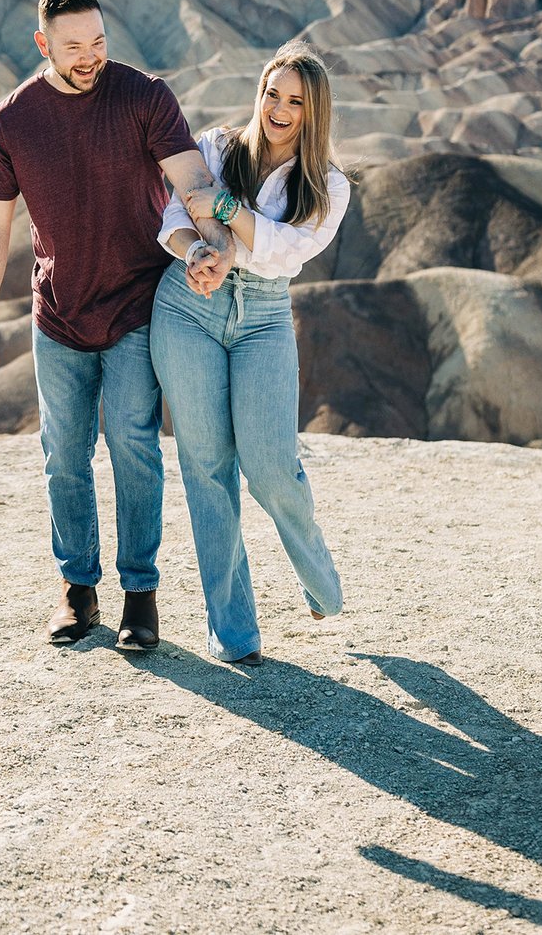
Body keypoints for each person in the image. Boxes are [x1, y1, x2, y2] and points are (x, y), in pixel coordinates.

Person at [0, 0, 234, 651]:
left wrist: (215, 243)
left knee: (134, 448)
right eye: (74, 46)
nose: (90, 57)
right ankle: (77, 591)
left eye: (99, 42)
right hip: (57, 315)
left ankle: (140, 596)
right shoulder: (13, 121)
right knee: (63, 455)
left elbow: (193, 180)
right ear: (43, 44)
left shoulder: (144, 95)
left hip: (137, 306)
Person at [150, 40, 351, 666]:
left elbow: (284, 252)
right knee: (206, 467)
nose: (281, 109)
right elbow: (171, 217)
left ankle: (318, 577)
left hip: (263, 316)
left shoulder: (328, 188)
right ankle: (233, 632)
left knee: (269, 464)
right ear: (259, 92)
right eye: (273, 93)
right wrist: (197, 253)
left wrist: (228, 215)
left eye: (297, 101)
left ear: (315, 113)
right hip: (188, 307)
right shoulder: (215, 148)